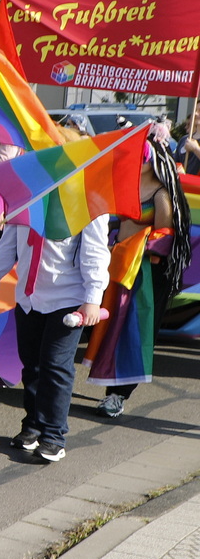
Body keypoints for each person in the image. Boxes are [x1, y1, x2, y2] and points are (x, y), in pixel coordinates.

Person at [0, 213, 110, 464]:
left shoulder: (86, 202)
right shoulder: (26, 199)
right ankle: (33, 426)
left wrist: (93, 298)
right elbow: (8, 244)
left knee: (55, 365)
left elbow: (96, 251)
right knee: (31, 364)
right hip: (29, 298)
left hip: (68, 299)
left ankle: (54, 436)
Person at [87, 134, 188, 418]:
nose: (137, 161)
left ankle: (119, 394)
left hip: (145, 273)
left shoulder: (162, 194)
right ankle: (110, 384)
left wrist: (137, 247)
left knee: (133, 330)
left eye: (142, 156)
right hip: (118, 266)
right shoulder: (127, 185)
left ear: (154, 161)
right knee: (110, 327)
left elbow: (166, 236)